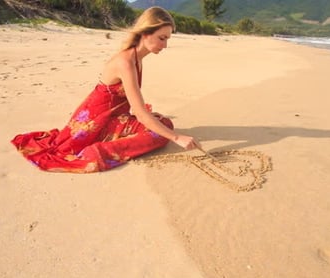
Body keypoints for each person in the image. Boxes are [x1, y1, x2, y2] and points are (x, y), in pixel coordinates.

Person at [11, 6, 199, 173]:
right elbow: (141, 114)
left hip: (113, 116)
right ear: (145, 33)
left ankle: (115, 140)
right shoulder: (125, 62)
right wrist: (177, 138)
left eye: (167, 39)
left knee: (162, 123)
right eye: (162, 38)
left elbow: (132, 104)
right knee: (161, 132)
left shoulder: (137, 58)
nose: (165, 45)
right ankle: (98, 152)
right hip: (97, 120)